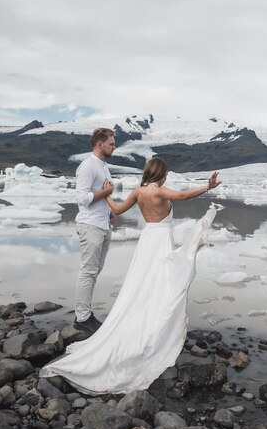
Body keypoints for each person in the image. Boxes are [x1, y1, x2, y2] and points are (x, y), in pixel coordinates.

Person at [40, 157, 221, 395]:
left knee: (139, 286)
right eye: (165, 173)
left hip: (147, 240)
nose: (166, 177)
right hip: (161, 241)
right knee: (161, 285)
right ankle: (155, 327)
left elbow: (115, 209)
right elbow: (184, 197)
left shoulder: (138, 192)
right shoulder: (160, 190)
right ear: (161, 174)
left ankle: (139, 321)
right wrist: (207, 187)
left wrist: (106, 193)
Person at [73, 128, 116, 334]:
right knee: (88, 271)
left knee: (94, 271)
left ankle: (85, 313)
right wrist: (107, 192)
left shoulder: (103, 167)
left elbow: (98, 195)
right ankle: (82, 318)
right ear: (100, 144)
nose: (114, 146)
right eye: (111, 143)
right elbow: (81, 199)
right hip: (90, 225)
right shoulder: (88, 166)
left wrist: (109, 212)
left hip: (102, 224)